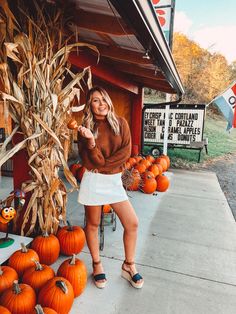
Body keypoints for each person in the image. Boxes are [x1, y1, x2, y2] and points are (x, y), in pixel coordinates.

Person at [77, 86, 144, 289]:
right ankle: (97, 264)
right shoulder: (85, 128)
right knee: (93, 224)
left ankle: (128, 265)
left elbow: (125, 153)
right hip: (93, 180)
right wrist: (90, 140)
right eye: (95, 100)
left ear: (108, 101)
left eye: (103, 98)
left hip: (112, 180)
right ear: (90, 105)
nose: (101, 103)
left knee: (132, 223)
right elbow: (89, 159)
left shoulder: (120, 123)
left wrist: (102, 166)